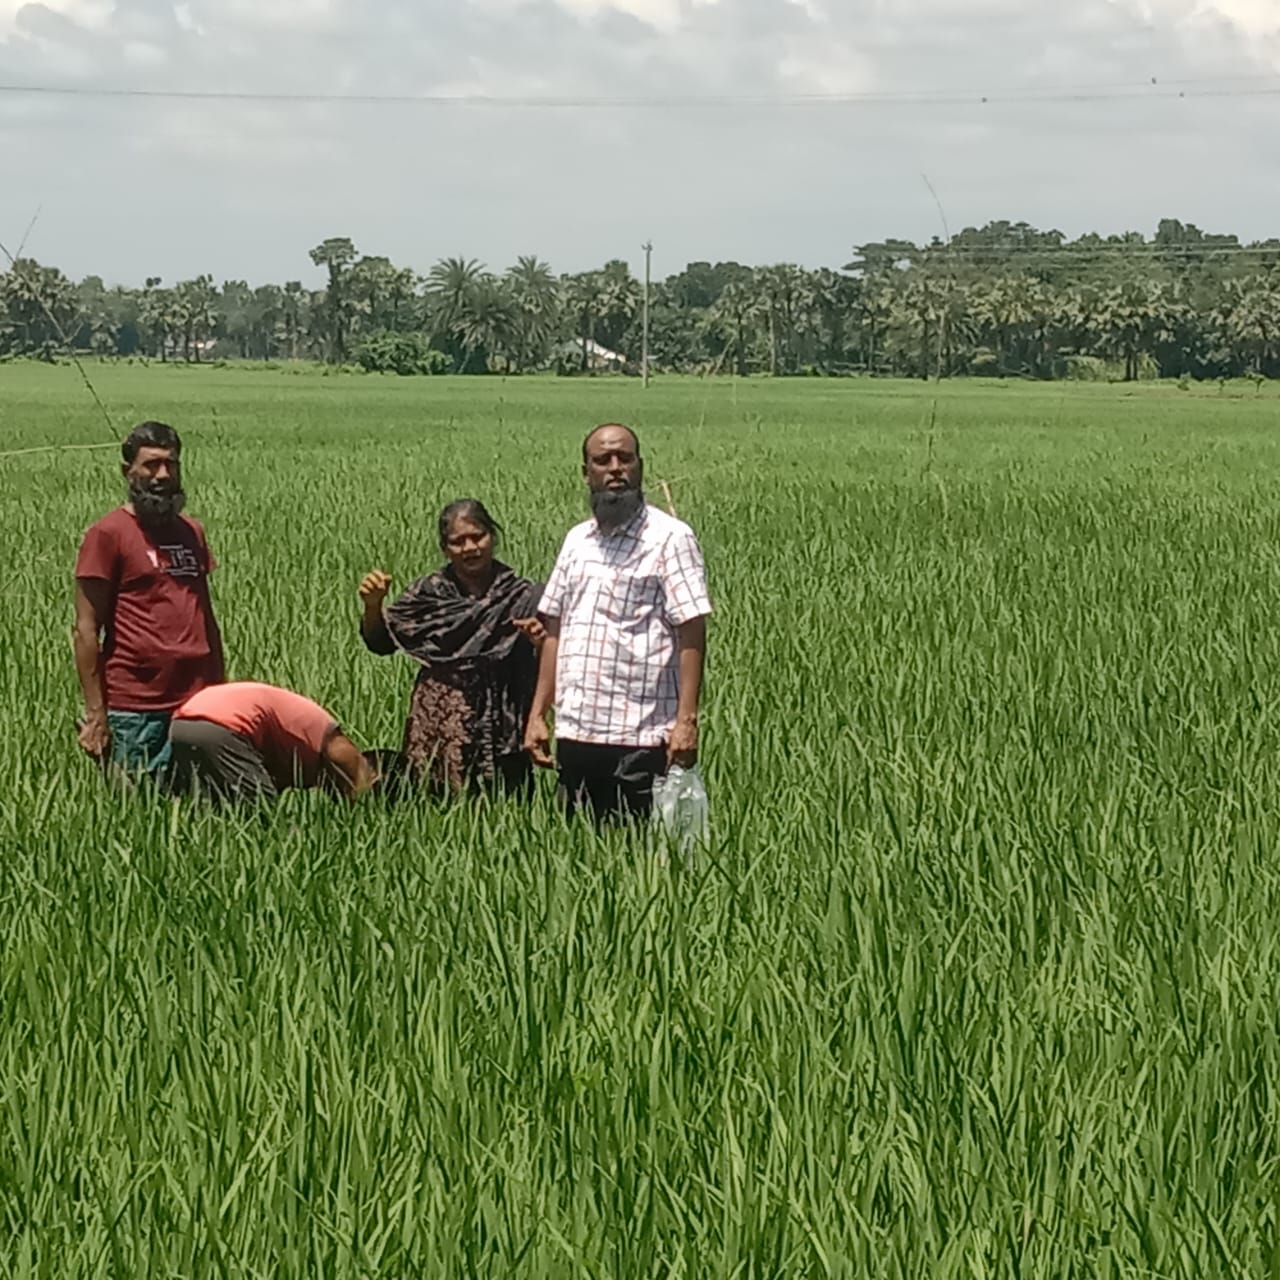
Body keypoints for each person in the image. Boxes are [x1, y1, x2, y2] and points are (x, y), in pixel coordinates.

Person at [523, 423, 712, 824]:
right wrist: (538, 713)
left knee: (641, 859)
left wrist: (686, 722)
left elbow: (691, 629)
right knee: (580, 855)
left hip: (642, 737)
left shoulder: (670, 539)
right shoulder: (577, 541)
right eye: (602, 460)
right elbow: (556, 629)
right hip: (577, 731)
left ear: (640, 466)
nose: (615, 468)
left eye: (624, 459)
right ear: (585, 471)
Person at [358, 499, 544, 797]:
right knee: (438, 801)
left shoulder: (521, 595)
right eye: (458, 542)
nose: (470, 547)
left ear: (492, 537)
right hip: (441, 721)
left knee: (508, 802)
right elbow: (380, 643)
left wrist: (537, 641)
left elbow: (551, 653)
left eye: (477, 536)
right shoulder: (430, 594)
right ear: (445, 549)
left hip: (501, 722)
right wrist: (373, 606)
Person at [73, 421, 225, 781]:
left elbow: (205, 614)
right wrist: (97, 713)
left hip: (197, 701)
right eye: (151, 465)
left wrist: (221, 689)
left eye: (170, 464)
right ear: (128, 472)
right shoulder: (108, 534)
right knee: (139, 812)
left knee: (200, 808)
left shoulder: (192, 532)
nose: (162, 474)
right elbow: (85, 629)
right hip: (137, 707)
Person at [167, 681, 378, 803]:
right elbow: (353, 771)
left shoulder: (297, 752)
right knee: (262, 812)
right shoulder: (334, 741)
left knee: (216, 808)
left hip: (182, 723)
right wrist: (360, 807)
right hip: (225, 726)